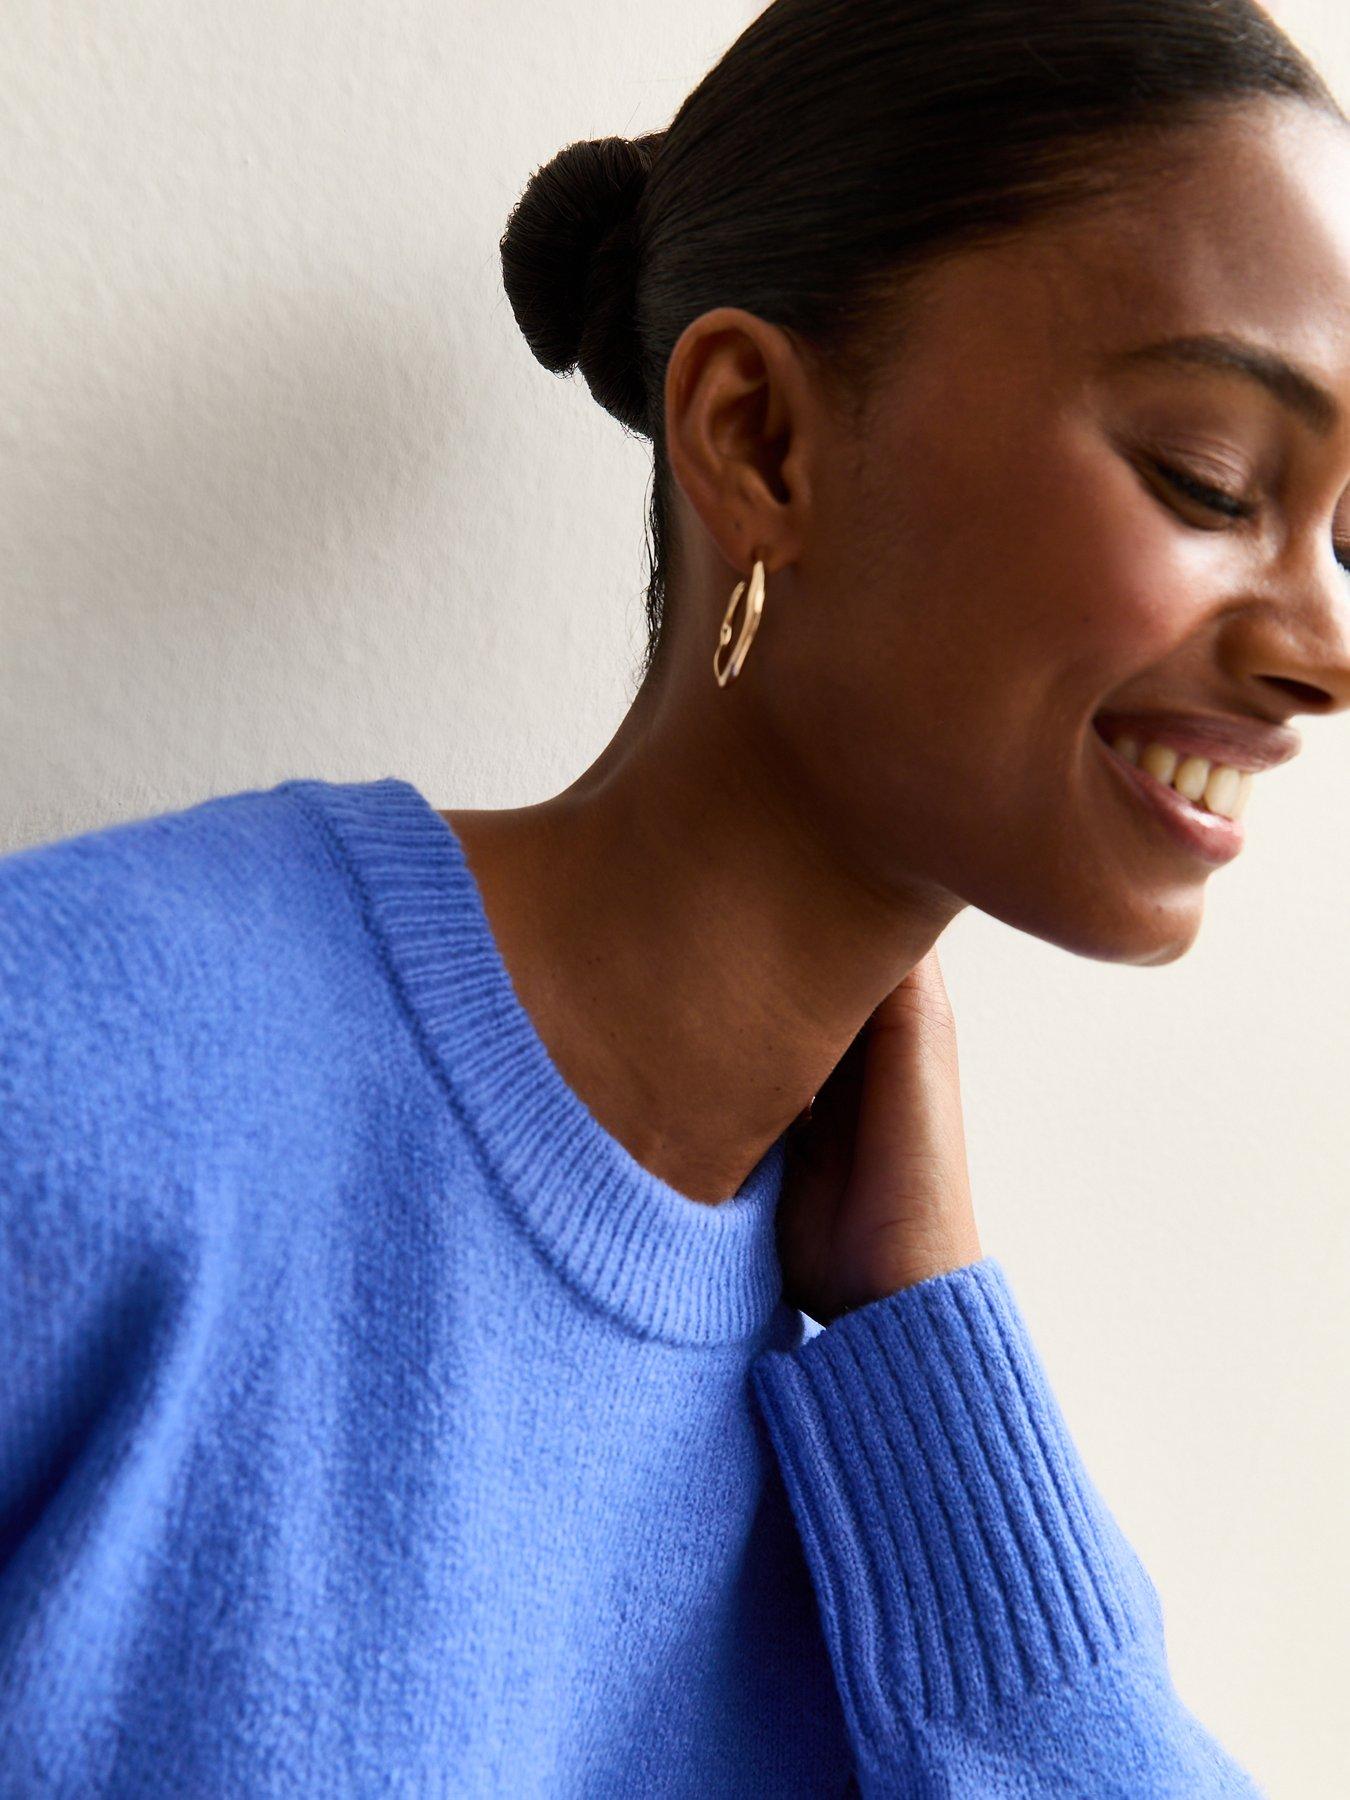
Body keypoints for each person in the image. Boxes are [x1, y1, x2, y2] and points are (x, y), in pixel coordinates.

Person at [3, 0, 1348, 1793]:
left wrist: (926, 1372)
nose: (1323, 648)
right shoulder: (87, 1071)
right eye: (1210, 478)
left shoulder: (894, 1445)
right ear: (756, 438)